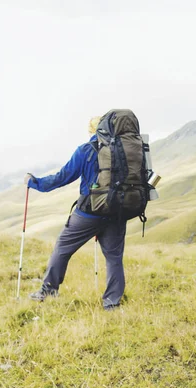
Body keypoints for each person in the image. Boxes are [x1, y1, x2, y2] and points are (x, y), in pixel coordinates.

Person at [24, 116, 126, 310]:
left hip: (88, 213)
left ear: (91, 131)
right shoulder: (124, 151)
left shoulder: (85, 150)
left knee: (62, 248)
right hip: (117, 213)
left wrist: (34, 182)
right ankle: (112, 303)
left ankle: (48, 291)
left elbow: (62, 177)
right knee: (114, 258)